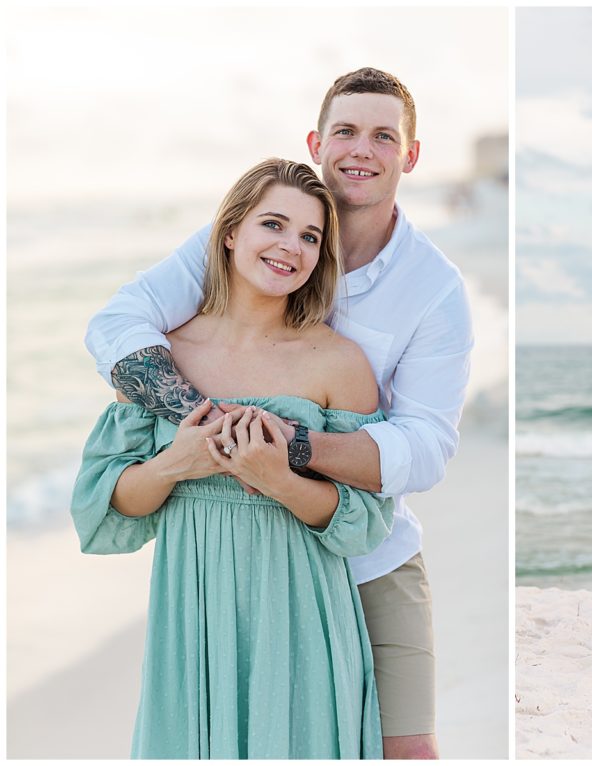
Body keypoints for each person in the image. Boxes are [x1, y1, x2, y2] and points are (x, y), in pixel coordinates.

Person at [84, 68, 471, 759]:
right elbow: (120, 324)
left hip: (369, 560)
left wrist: (282, 450)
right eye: (347, 130)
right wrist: (196, 425)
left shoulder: (434, 289)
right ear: (318, 141)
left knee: (408, 751)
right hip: (215, 578)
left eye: (385, 135)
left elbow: (428, 446)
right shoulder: (236, 243)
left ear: (409, 156)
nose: (363, 149)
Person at [71, 158, 394, 757]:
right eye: (273, 224)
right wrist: (176, 463)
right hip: (191, 615)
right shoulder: (161, 358)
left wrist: (280, 480)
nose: (290, 247)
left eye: (310, 237)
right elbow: (104, 507)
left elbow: (366, 522)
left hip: (301, 615)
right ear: (229, 232)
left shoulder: (337, 362)